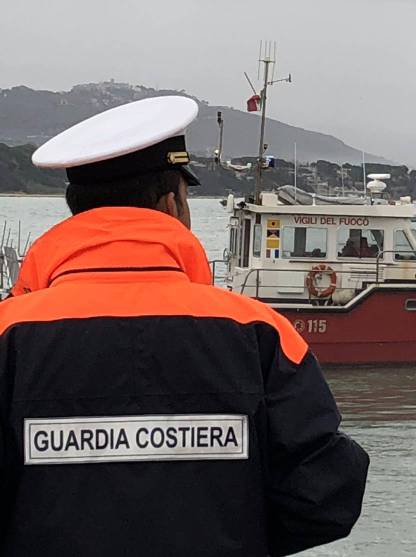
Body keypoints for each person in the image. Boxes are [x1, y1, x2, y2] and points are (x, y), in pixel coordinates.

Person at [0, 96, 368, 556]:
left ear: (77, 209)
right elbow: (328, 493)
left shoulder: (8, 335)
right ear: (171, 203)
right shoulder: (261, 334)